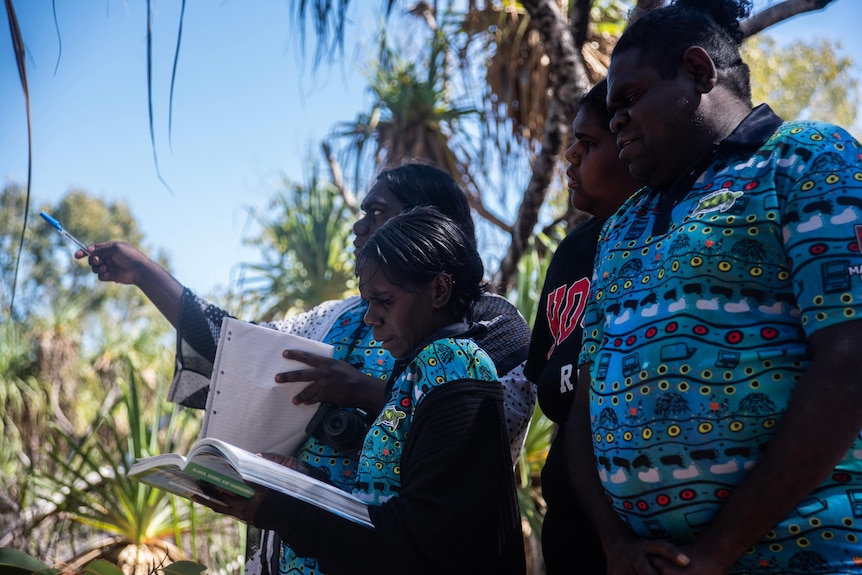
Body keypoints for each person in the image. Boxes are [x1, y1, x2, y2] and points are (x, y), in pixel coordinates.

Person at [79, 162, 534, 574]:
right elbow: (236, 350)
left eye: (377, 213)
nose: (359, 227)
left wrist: (362, 391)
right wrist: (145, 274)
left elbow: (479, 434)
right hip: (303, 544)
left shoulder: (488, 325)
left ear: (428, 226)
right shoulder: (335, 317)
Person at [568, 0, 862, 573]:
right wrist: (614, 542)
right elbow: (584, 400)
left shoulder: (809, 160)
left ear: (700, 72)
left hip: (808, 559)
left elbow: (851, 358)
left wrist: (717, 550)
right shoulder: (622, 226)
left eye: (629, 99)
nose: (618, 120)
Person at [210, 206, 526, 575]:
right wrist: (307, 482)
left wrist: (285, 510)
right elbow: (390, 499)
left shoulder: (453, 365)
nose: (370, 317)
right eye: (368, 302)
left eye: (385, 301)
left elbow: (429, 537)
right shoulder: (418, 369)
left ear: (439, 289)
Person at [524, 78, 641, 574]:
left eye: (589, 143)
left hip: (647, 536)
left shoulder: (676, 239)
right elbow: (544, 378)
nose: (569, 156)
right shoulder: (571, 253)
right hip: (574, 530)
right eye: (571, 141)